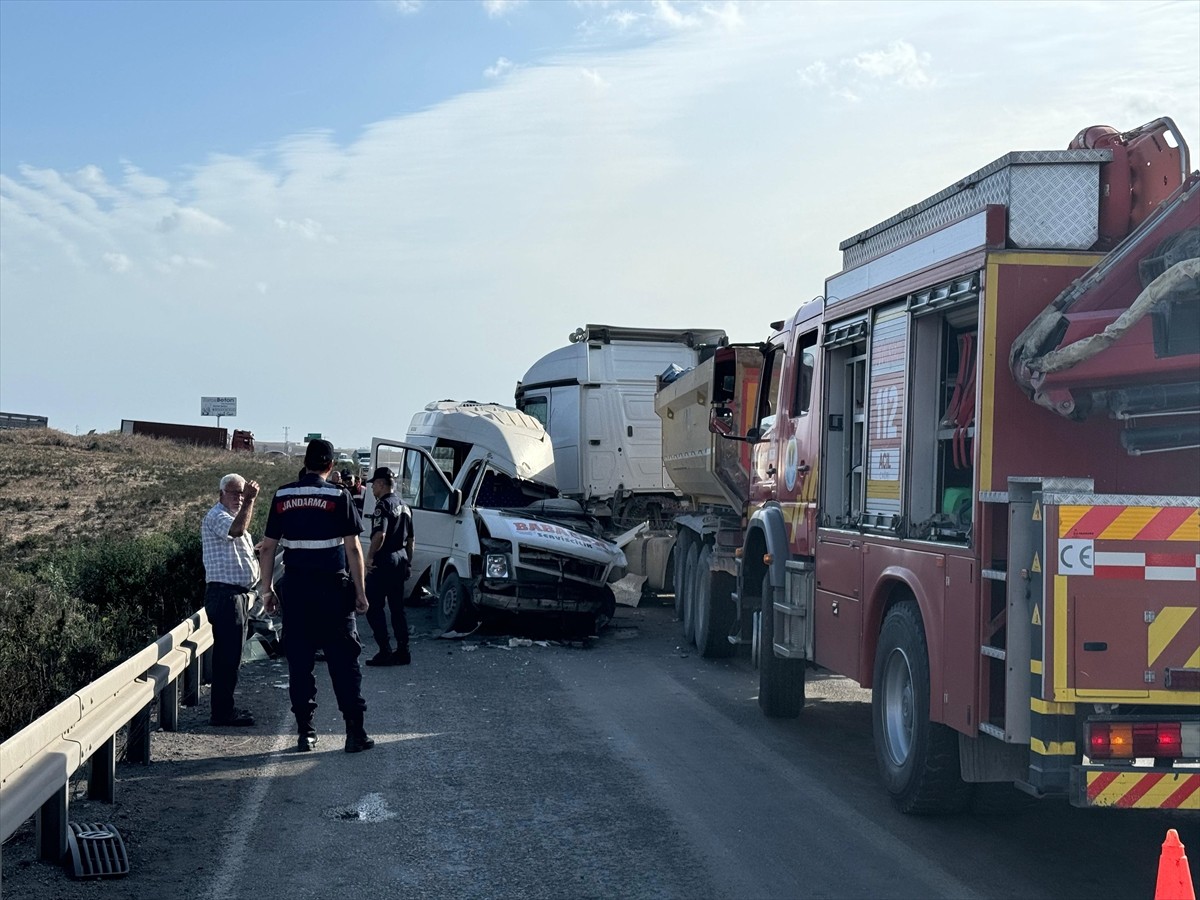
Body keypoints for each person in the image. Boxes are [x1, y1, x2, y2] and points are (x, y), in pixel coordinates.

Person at [259, 439, 375, 753]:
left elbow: (268, 548)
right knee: (344, 663)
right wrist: (361, 593)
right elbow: (352, 548)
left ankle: (305, 733)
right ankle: (354, 733)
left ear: (305, 463)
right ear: (330, 466)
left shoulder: (283, 495)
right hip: (333, 593)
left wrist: (266, 590)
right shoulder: (339, 495)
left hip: (296, 592)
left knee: (300, 664)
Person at [200, 473, 261, 726]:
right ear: (221, 494)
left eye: (241, 493)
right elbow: (236, 530)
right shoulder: (217, 516)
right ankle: (222, 712)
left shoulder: (232, 517)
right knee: (227, 658)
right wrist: (250, 501)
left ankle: (226, 708)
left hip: (235, 595)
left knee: (232, 656)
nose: (239, 497)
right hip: (225, 595)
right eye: (235, 493)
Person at [364, 466, 415, 667]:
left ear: (381, 484)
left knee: (373, 606)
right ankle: (403, 650)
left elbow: (380, 535)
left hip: (384, 559)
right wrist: (408, 562)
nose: (372, 489)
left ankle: (384, 650)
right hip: (400, 558)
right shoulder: (405, 506)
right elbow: (411, 539)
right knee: (397, 608)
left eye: (373, 485)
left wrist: (369, 558)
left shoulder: (382, 506)